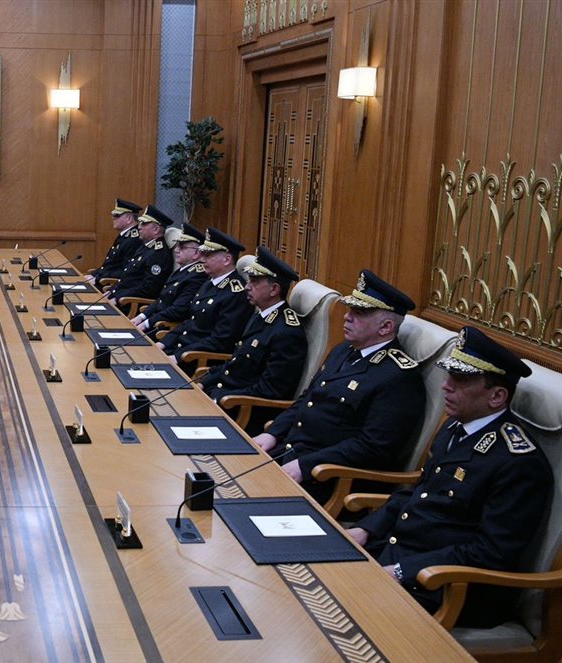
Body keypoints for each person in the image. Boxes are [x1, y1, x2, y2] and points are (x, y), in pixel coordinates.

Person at [346, 326, 550, 628]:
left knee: (333, 609)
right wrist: (365, 530)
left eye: (461, 380)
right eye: (449, 375)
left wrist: (403, 571)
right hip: (399, 555)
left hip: (448, 587)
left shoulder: (518, 463)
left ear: (497, 396)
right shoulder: (456, 427)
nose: (446, 386)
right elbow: (417, 492)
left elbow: (489, 553)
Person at [255, 269, 426, 501]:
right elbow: (307, 399)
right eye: (349, 309)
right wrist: (273, 433)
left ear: (386, 327)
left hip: (332, 480)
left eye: (358, 313)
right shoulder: (344, 351)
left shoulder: (399, 378)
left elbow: (372, 449)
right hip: (291, 454)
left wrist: (306, 465)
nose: (347, 317)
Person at [201, 247, 307, 433]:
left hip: (244, 412)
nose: (247, 286)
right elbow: (236, 363)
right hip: (224, 396)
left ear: (274, 289)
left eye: (255, 282)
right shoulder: (261, 315)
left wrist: (220, 398)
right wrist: (204, 382)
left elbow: (269, 391)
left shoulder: (287, 332)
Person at [157, 228, 251, 364]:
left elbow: (220, 341)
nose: (202, 259)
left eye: (208, 255)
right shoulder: (210, 281)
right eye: (203, 254)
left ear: (227, 259)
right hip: (179, 350)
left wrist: (177, 357)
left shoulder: (236, 293)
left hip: (198, 359)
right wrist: (163, 343)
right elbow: (190, 321)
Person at [132, 223, 207, 334]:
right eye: (177, 245)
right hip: (155, 321)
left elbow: (178, 310)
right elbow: (162, 299)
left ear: (196, 253)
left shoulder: (197, 276)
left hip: (165, 328)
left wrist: (147, 323)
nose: (176, 250)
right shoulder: (183, 270)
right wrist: (141, 317)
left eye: (182, 247)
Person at [105, 205, 174, 309]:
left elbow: (148, 289)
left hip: (133, 303)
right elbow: (128, 276)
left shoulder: (159, 254)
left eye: (144, 224)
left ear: (156, 229)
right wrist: (112, 291)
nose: (139, 227)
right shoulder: (145, 246)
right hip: (121, 296)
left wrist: (118, 297)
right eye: (140, 222)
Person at [86, 198, 143, 284]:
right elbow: (110, 265)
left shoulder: (134, 240)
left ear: (129, 219)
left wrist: (98, 279)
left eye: (117, 216)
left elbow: (126, 270)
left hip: (111, 284)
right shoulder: (125, 236)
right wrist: (94, 274)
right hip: (105, 280)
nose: (113, 218)